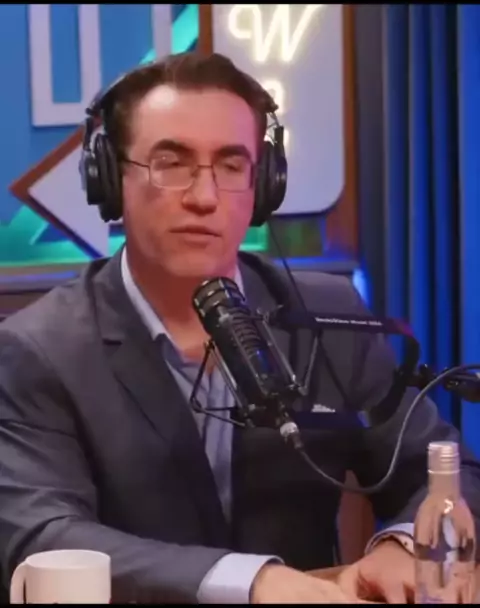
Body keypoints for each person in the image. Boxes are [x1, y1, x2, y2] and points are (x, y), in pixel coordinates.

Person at [0, 51, 478, 605]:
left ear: (264, 184)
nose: (204, 198)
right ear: (110, 180)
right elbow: (43, 535)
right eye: (170, 163)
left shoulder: (327, 315)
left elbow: (446, 470)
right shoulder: (40, 348)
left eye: (231, 166)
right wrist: (253, 582)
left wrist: (404, 544)